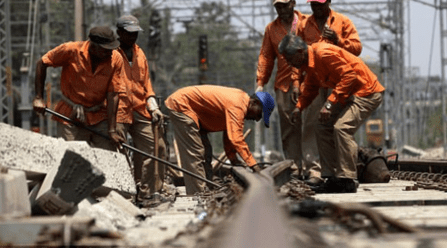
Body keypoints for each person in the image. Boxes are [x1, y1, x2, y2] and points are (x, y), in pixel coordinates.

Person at [279, 34, 384, 193]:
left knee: (342, 128)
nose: (288, 63)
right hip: (349, 95)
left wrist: (328, 104)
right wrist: (299, 107)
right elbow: (311, 87)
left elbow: (349, 75)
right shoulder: (309, 64)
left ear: (300, 51)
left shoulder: (323, 53)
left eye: (289, 58)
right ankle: (331, 176)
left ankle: (348, 178)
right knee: (322, 127)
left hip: (366, 92)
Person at [294, 0, 363, 182]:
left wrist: (338, 40)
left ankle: (343, 170)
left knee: (339, 126)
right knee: (312, 125)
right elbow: (296, 54)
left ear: (328, 3)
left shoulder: (343, 22)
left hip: (339, 82)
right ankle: (315, 170)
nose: (317, 8)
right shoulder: (304, 25)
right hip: (315, 83)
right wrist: (296, 82)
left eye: (320, 4)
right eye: (313, 4)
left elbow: (357, 48)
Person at [164, 85, 275, 195]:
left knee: (206, 152)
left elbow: (229, 134)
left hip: (193, 111)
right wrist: (253, 165)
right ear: (254, 102)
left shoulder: (240, 102)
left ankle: (206, 187)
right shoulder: (238, 105)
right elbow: (236, 139)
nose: (257, 119)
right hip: (182, 105)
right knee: (195, 153)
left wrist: (233, 159)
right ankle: (197, 194)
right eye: (260, 113)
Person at [32, 26, 127, 152]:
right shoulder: (71, 50)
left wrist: (112, 130)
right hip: (71, 115)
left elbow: (113, 95)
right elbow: (42, 63)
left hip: (98, 115)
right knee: (72, 158)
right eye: (106, 50)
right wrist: (39, 98)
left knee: (110, 155)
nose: (110, 52)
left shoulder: (116, 59)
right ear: (94, 47)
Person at [114, 14, 167, 203]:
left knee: (155, 147)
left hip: (139, 107)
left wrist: (152, 104)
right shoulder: (111, 53)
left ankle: (148, 191)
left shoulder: (140, 53)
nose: (133, 37)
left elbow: (146, 84)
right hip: (117, 110)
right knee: (118, 151)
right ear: (119, 33)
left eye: (135, 33)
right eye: (129, 34)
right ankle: (124, 193)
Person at [255, 0, 309, 176]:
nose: (282, 10)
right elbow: (266, 57)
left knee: (310, 124)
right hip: (284, 84)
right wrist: (261, 82)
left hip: (309, 80)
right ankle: (294, 166)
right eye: (278, 6)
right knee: (289, 127)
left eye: (285, 5)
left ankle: (312, 167)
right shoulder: (272, 29)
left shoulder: (305, 22)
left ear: (293, 3)